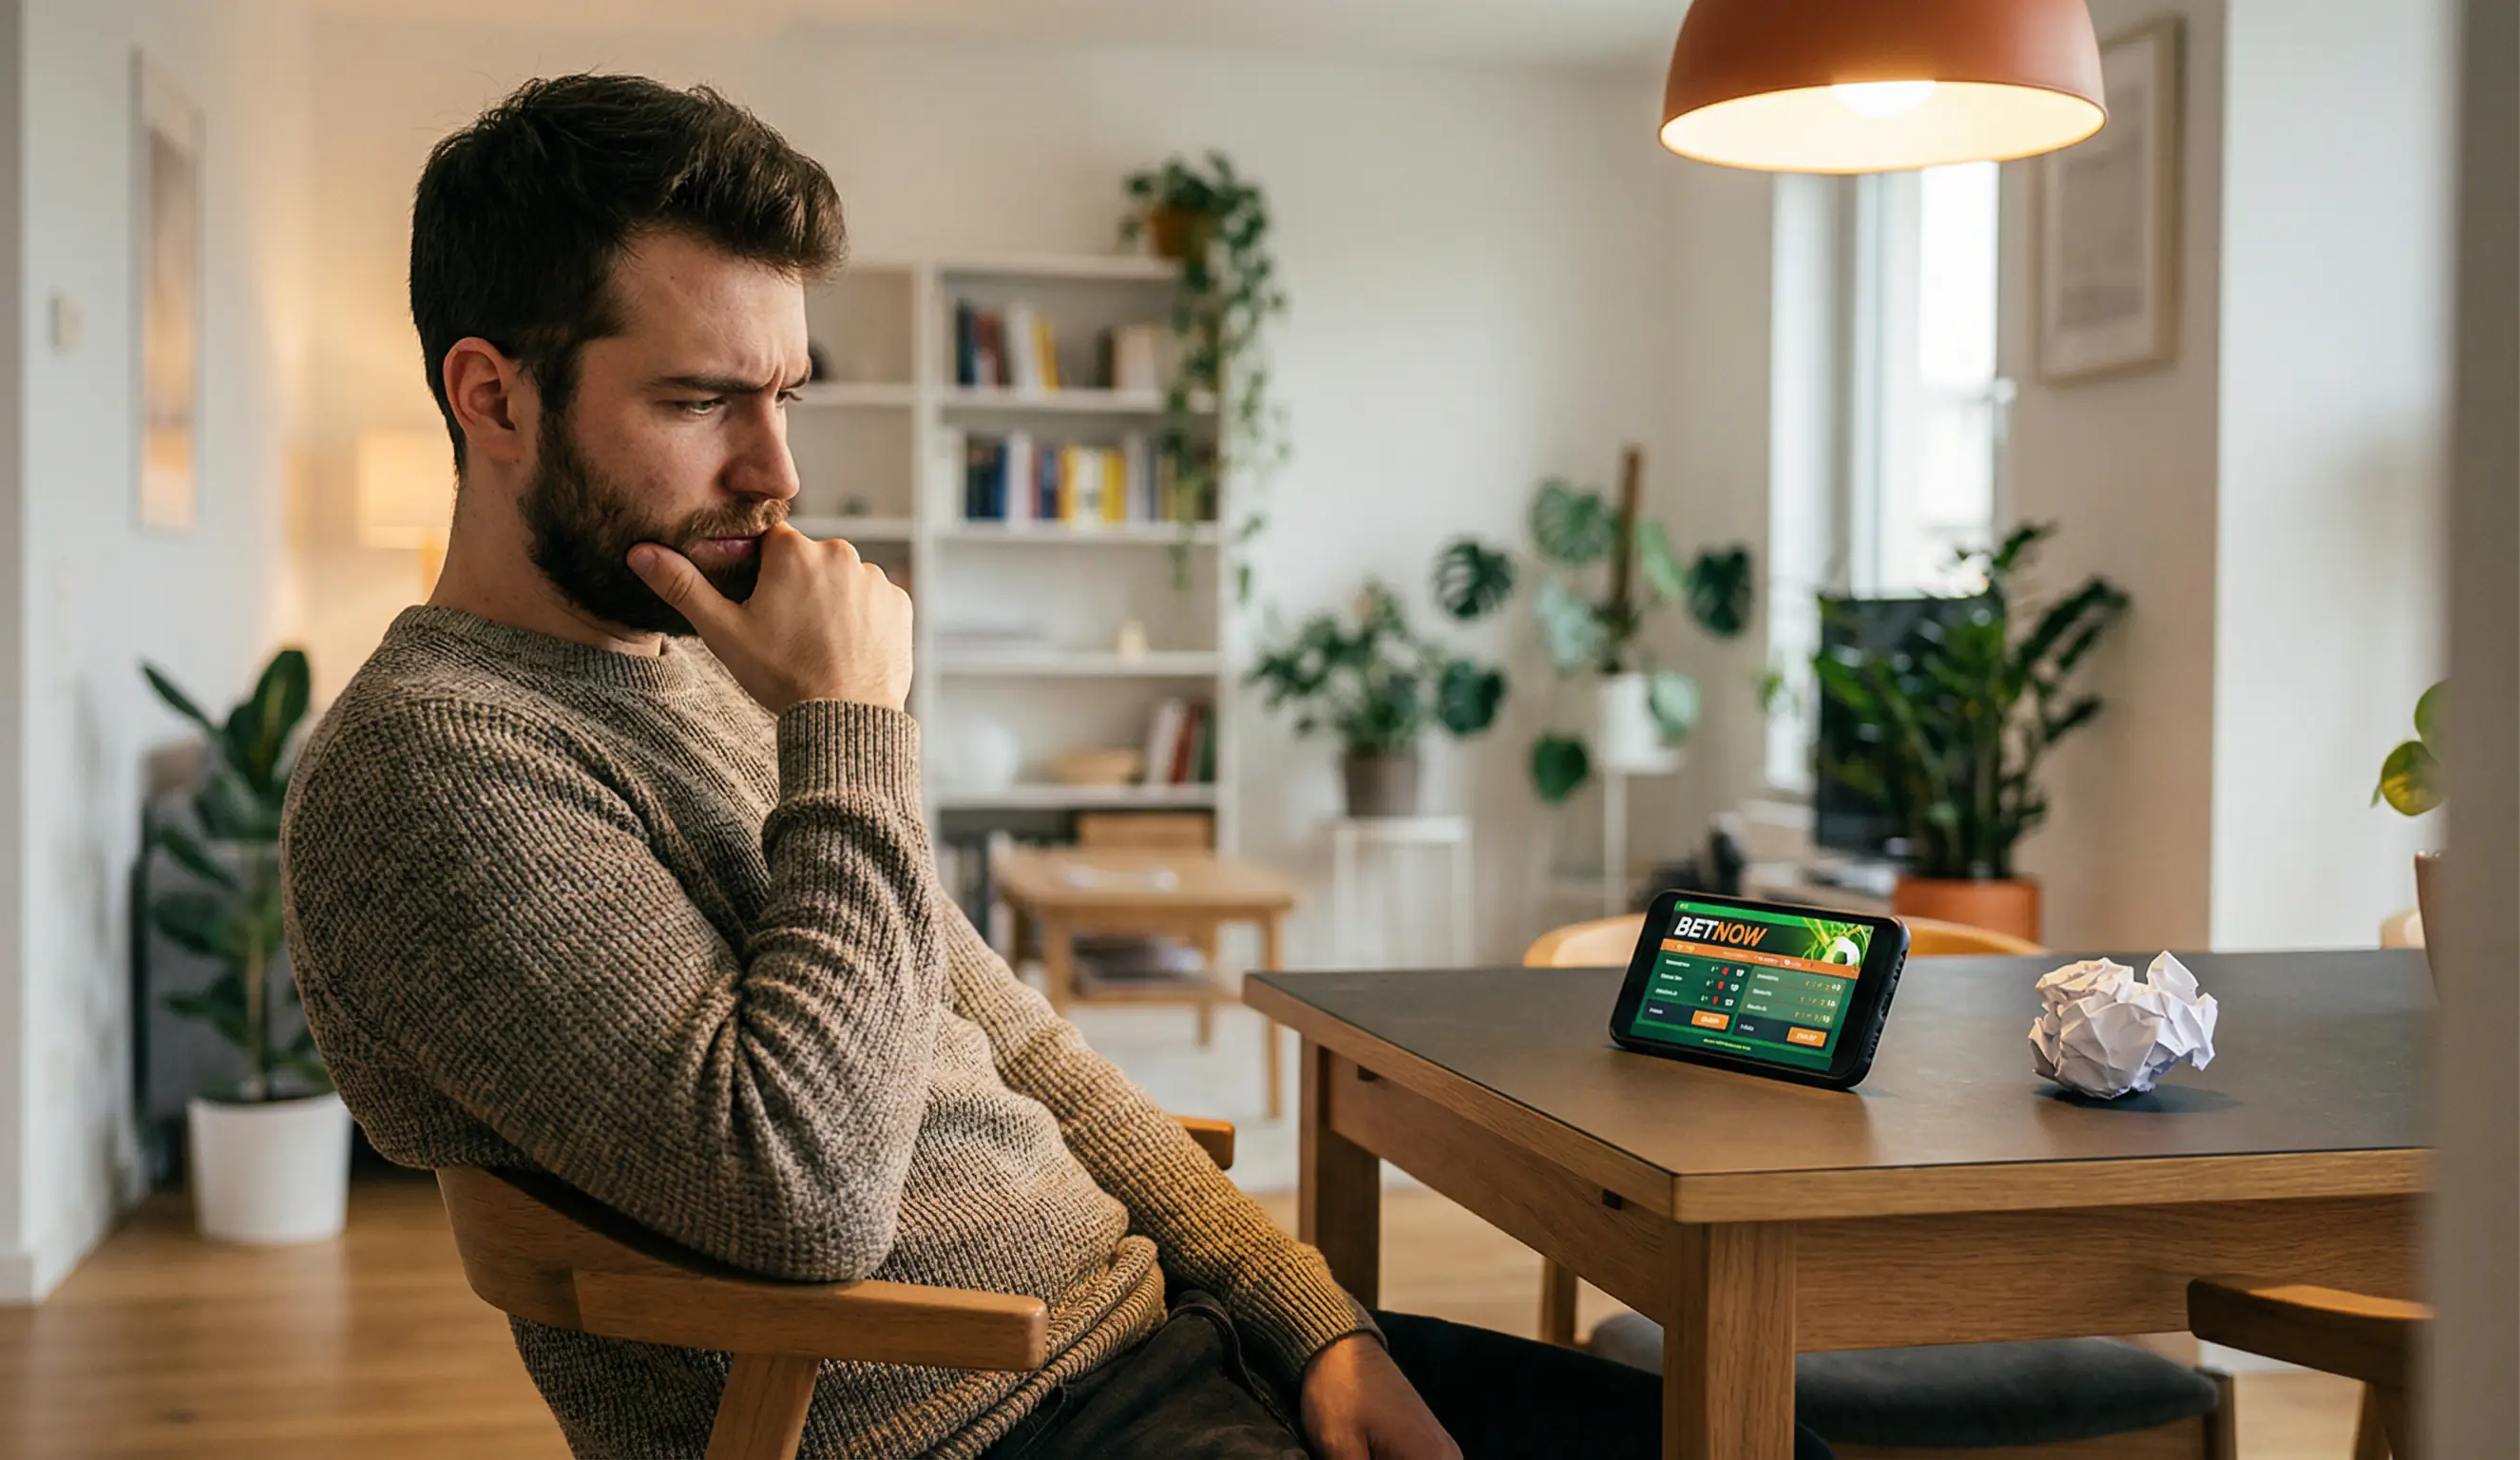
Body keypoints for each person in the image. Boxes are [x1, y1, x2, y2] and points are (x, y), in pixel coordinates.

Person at [282, 72, 1836, 1460]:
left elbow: (1017, 1042)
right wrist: (852, 732)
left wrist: (1316, 1325)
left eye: (785, 394)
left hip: (1164, 1343)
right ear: (492, 397)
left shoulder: (699, 669)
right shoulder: (432, 769)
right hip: (984, 1408)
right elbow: (803, 1196)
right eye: (700, 402)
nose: (779, 472)